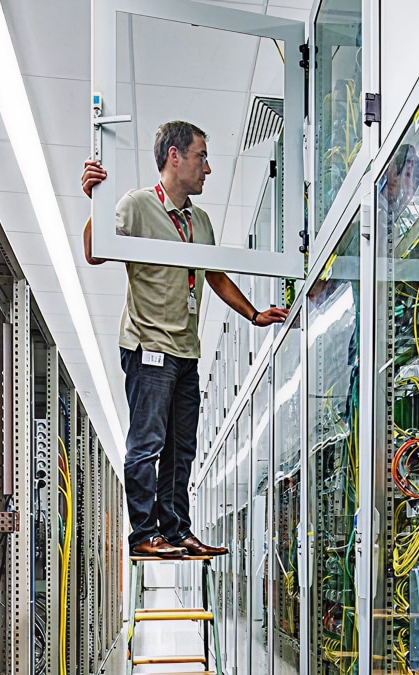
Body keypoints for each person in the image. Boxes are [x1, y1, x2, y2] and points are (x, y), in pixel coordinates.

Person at [81, 120, 289, 559]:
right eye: (201, 157)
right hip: (148, 346)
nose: (207, 169)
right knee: (147, 443)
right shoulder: (138, 205)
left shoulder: (200, 221)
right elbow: (95, 252)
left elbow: (213, 274)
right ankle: (143, 536)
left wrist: (252, 314)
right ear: (174, 156)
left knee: (181, 449)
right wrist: (93, 205)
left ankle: (175, 532)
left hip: (186, 351)